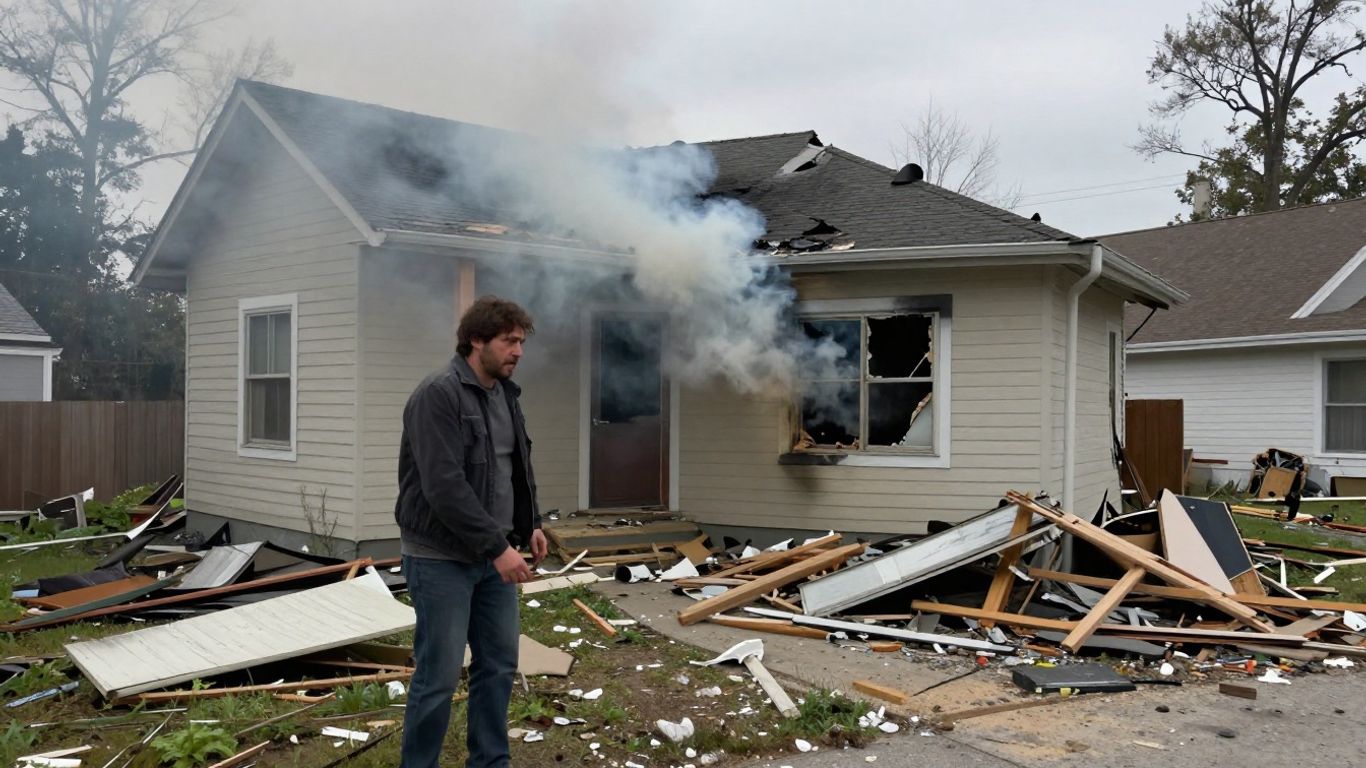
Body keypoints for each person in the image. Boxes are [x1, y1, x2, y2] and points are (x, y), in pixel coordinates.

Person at [395, 295, 548, 768]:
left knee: (499, 665)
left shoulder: (507, 394)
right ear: (476, 339)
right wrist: (499, 547)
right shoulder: (437, 395)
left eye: (521, 342)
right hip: (441, 557)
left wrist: (531, 524)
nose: (518, 351)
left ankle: (489, 761)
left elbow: (515, 467)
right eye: (509, 341)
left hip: (493, 556)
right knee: (438, 676)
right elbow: (444, 488)